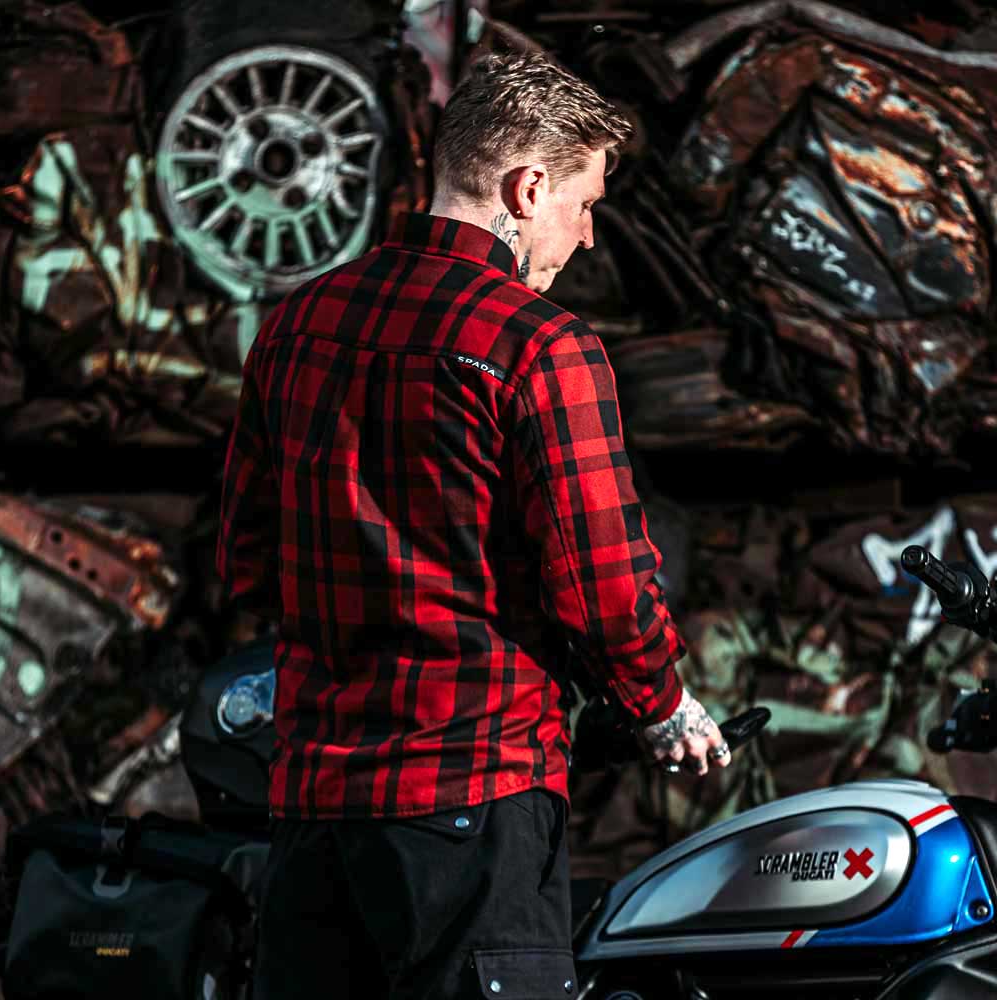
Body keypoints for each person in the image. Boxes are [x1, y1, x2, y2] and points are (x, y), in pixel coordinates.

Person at [217, 49, 731, 1000]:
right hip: (473, 798)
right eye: (584, 203)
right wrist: (661, 704)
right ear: (528, 188)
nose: (586, 236)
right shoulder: (539, 347)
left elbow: (248, 561)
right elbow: (603, 584)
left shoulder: (294, 325)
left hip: (312, 809)